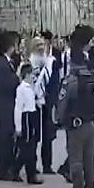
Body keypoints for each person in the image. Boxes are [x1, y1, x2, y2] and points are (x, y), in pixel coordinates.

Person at [58, 25, 94, 188]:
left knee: (76, 165)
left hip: (76, 126)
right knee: (89, 165)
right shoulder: (93, 76)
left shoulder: (72, 80)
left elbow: (62, 104)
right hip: (91, 124)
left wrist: (60, 120)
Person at [0, 31, 22, 181]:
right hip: (3, 104)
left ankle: (7, 166)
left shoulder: (5, 62)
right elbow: (5, 84)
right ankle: (3, 169)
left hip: (6, 103)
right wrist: (17, 78)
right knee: (4, 137)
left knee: (7, 137)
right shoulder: (0, 63)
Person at [32, 33, 60, 175]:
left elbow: (55, 83)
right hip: (33, 103)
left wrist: (52, 100)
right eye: (37, 45)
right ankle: (32, 164)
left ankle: (47, 165)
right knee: (33, 136)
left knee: (47, 136)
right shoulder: (29, 63)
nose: (41, 48)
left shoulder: (51, 62)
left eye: (42, 45)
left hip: (47, 103)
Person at [13, 63, 43, 185]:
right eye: (31, 74)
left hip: (32, 116)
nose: (33, 77)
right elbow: (18, 108)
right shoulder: (21, 89)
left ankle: (19, 171)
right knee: (27, 148)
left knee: (31, 146)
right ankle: (28, 174)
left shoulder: (31, 88)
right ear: (26, 75)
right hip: (26, 117)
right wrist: (18, 126)